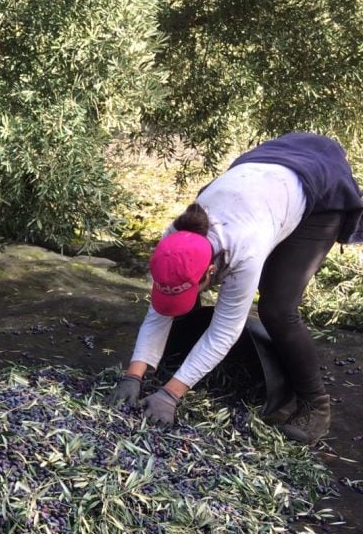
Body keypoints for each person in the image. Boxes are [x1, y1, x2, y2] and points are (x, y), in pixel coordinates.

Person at [109, 132, 362, 445]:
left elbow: (225, 330)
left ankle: (315, 405)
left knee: (278, 309)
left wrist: (170, 395)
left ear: (212, 271)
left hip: (316, 190)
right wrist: (133, 374)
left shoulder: (245, 247)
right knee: (183, 304)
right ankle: (185, 364)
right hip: (261, 178)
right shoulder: (173, 239)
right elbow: (160, 310)